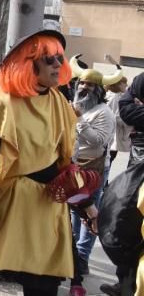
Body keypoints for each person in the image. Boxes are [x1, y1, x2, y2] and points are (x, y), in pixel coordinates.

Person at [0, 29, 94, 296]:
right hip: (6, 208)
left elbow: (62, 165)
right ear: (30, 63)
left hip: (46, 211)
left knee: (43, 289)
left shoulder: (60, 104)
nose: (57, 64)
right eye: (48, 58)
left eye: (59, 58)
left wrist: (87, 205)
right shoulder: (1, 101)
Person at [67, 57, 118, 296]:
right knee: (75, 212)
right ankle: (74, 256)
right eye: (81, 84)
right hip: (75, 167)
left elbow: (99, 141)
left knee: (90, 215)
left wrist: (77, 120)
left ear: (98, 91)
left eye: (88, 86)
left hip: (95, 169)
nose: (82, 88)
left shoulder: (104, 112)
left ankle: (82, 257)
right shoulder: (75, 104)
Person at [107, 73, 131, 165]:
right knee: (109, 160)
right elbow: (116, 116)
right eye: (124, 82)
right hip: (113, 134)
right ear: (117, 84)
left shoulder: (112, 95)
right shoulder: (115, 97)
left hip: (111, 133)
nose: (126, 85)